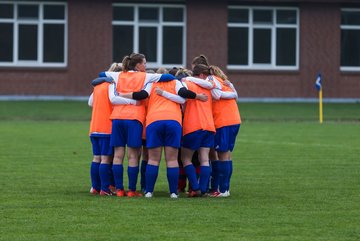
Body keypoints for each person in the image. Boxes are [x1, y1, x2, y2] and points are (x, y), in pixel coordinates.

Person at [100, 53, 175, 197]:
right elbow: (169, 77)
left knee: (118, 155)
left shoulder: (119, 75)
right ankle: (132, 190)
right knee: (133, 155)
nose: (146, 66)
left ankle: (119, 189)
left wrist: (117, 74)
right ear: (138, 65)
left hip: (117, 117)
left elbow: (102, 74)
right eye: (145, 63)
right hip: (134, 118)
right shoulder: (145, 76)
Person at [88, 64, 136, 196]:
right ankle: (105, 188)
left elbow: (90, 103)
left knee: (96, 158)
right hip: (106, 126)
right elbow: (113, 99)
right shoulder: (112, 85)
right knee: (105, 159)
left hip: (94, 127)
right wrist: (132, 101)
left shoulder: (98, 86)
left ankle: (95, 187)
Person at [179, 64, 216, 196]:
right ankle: (204, 189)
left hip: (193, 125)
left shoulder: (187, 83)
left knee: (185, 158)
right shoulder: (210, 87)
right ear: (201, 75)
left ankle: (195, 188)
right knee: (204, 158)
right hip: (209, 125)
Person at [208, 65, 241, 197]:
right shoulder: (225, 82)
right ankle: (226, 188)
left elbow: (216, 95)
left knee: (221, 154)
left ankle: (223, 190)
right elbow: (236, 95)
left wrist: (232, 93)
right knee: (227, 155)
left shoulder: (211, 79)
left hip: (224, 121)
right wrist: (233, 91)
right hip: (234, 120)